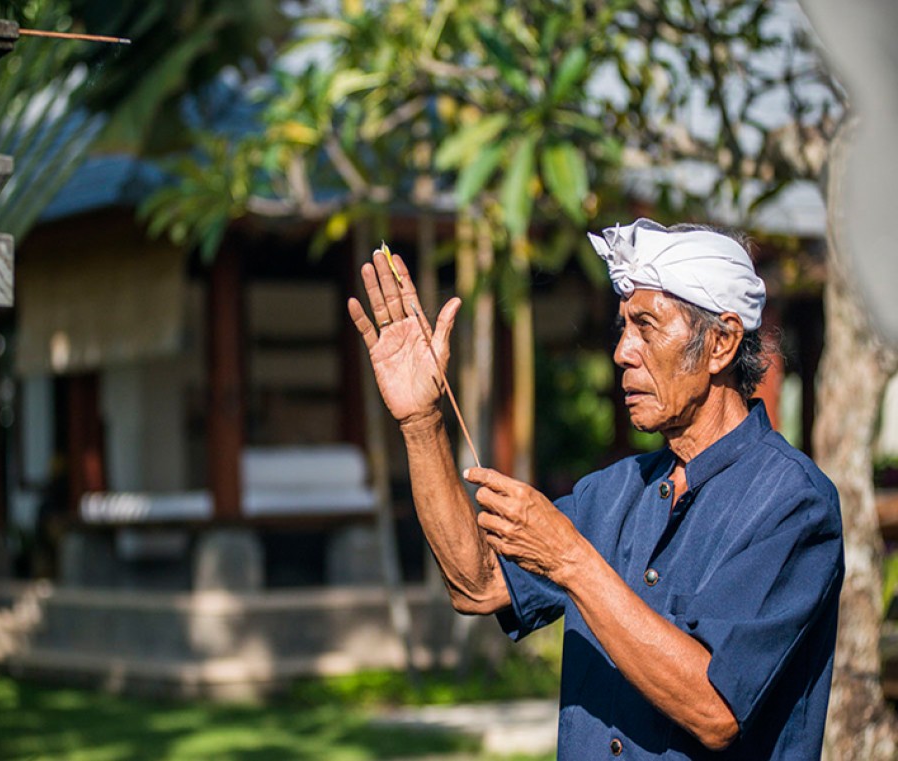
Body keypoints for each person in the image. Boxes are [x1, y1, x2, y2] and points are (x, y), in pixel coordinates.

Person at [347, 218, 844, 760]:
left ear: (721, 343)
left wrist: (571, 560)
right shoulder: (612, 491)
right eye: (623, 328)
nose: (622, 352)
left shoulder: (793, 502)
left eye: (647, 328)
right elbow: (478, 584)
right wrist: (421, 421)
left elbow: (715, 708)